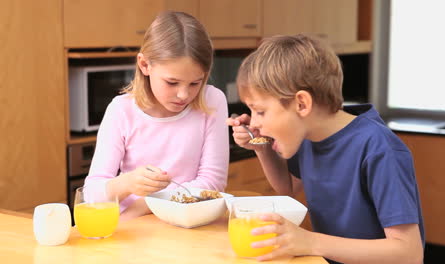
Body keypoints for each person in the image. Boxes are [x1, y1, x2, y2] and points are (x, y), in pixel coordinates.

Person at [226, 34, 425, 264]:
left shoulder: (379, 148)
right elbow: (288, 187)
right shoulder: (309, 134)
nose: (255, 122)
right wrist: (261, 148)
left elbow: (409, 253)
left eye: (260, 111)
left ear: (302, 104)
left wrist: (310, 242)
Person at [85, 11, 229, 220]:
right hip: (136, 231)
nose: (184, 95)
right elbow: (91, 194)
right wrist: (127, 183)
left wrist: (142, 206)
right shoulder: (121, 110)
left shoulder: (212, 100)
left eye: (195, 83)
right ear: (144, 65)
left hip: (187, 223)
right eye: (172, 82)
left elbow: (213, 182)